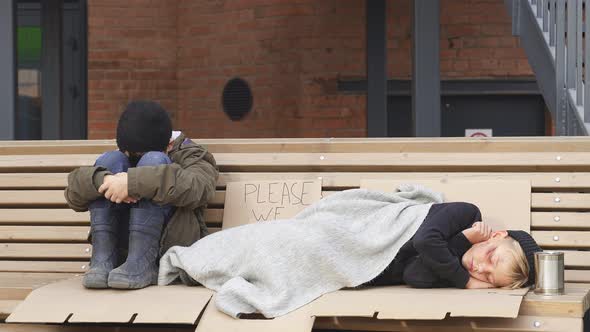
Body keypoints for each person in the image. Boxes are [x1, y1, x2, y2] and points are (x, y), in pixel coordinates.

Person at [64, 100, 218, 290]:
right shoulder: (121, 154)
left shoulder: (191, 154)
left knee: (154, 161)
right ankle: (103, 261)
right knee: (109, 160)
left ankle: (142, 264)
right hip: (122, 254)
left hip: (167, 249)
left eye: (137, 156)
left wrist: (133, 183)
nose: (133, 160)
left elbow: (199, 188)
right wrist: (104, 181)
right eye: (130, 154)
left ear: (168, 146)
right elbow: (73, 196)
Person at [362, 202, 542, 289]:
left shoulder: (453, 271)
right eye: (490, 256)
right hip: (366, 232)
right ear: (497, 235)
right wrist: (466, 281)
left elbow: (413, 276)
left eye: (488, 277)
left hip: (365, 273)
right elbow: (425, 240)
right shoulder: (467, 215)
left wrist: (457, 250)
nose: (479, 268)